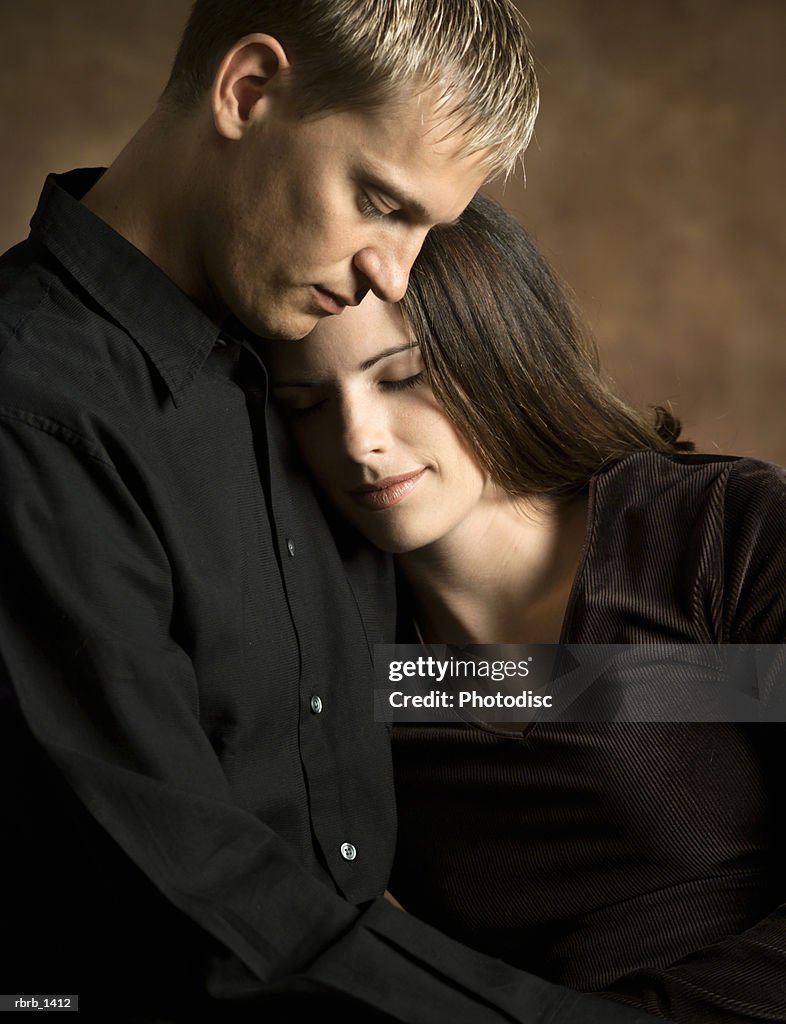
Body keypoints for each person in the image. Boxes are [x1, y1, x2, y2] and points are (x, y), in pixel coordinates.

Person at [0, 2, 670, 1022]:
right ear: (248, 91)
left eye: (426, 231)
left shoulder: (299, 356)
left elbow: (429, 681)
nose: (392, 276)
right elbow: (196, 907)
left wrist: (736, 683)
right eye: (380, 201)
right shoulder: (32, 411)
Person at [264, 192, 786, 1022]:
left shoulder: (719, 532)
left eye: (402, 378)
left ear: (496, 352)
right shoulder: (353, 665)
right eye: (306, 406)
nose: (358, 439)